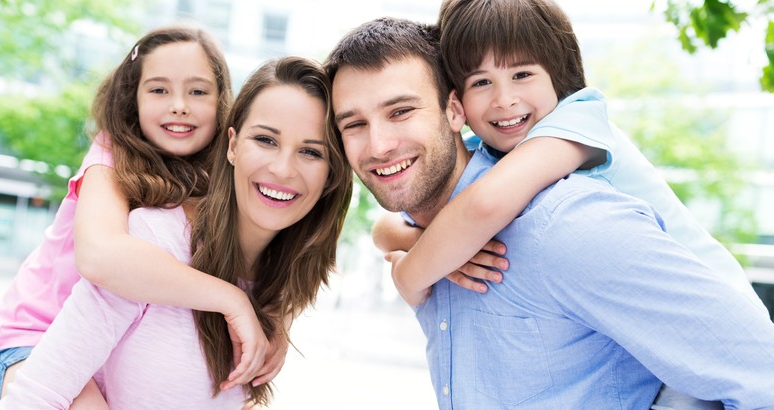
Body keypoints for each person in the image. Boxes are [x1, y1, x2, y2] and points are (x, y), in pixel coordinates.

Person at [325, 16, 774, 409]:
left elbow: (763, 376)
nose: (379, 145)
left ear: (454, 109)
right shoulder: (436, 236)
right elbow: (392, 229)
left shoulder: (565, 223)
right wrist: (410, 244)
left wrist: (409, 273)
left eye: (401, 111)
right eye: (355, 125)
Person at [0, 56, 353, 409]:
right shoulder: (152, 241)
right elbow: (34, 398)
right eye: (265, 140)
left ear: (331, 174)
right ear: (232, 145)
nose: (282, 168)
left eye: (310, 151)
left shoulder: (283, 282)